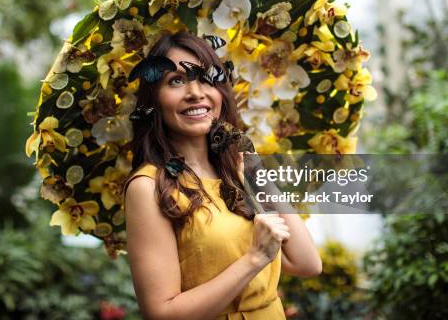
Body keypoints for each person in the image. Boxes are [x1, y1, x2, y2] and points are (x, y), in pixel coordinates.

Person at [122, 31, 322, 320]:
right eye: (176, 81)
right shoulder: (149, 187)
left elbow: (307, 263)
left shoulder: (236, 171)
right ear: (154, 98)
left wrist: (258, 178)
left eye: (206, 78)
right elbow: (161, 313)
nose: (195, 92)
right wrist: (254, 259)